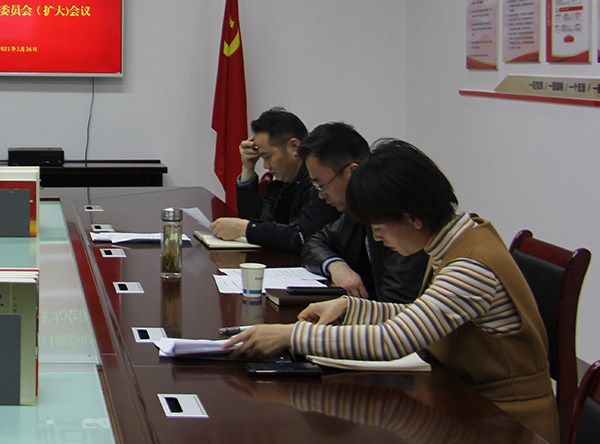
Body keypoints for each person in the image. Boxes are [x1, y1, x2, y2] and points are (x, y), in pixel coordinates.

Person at [225, 139, 557, 443]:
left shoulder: (469, 267)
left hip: (506, 423)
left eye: (379, 227)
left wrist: (290, 335)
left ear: (413, 218)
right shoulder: (457, 238)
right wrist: (351, 307)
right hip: (467, 404)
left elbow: (392, 340)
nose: (378, 238)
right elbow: (423, 315)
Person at [298, 121, 426, 301]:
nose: (321, 195)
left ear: (352, 172)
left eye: (322, 185)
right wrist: (336, 266)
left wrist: (349, 307)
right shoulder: (356, 213)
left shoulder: (397, 217)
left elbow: (397, 304)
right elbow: (315, 242)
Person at [210, 107, 338, 253]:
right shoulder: (281, 183)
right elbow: (257, 221)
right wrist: (248, 169)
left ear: (294, 147)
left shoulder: (319, 184)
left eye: (268, 157)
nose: (265, 166)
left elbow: (301, 236)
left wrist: (245, 229)